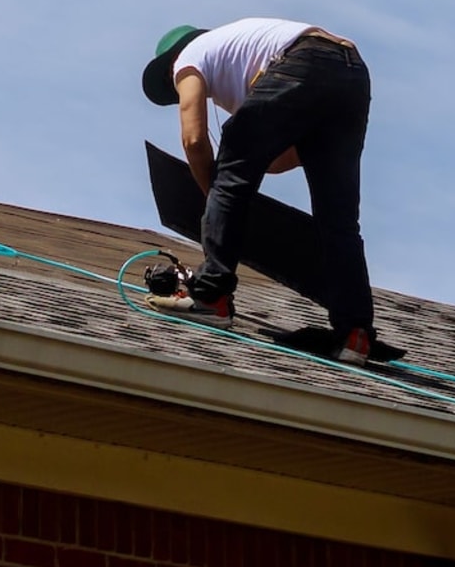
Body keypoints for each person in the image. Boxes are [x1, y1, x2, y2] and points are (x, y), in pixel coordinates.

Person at [140, 18, 378, 364]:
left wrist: (216, 194)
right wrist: (232, 192)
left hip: (307, 60)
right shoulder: (245, 61)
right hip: (351, 73)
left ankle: (211, 298)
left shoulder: (189, 57)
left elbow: (194, 140)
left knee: (228, 170)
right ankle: (354, 334)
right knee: (338, 221)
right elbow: (280, 158)